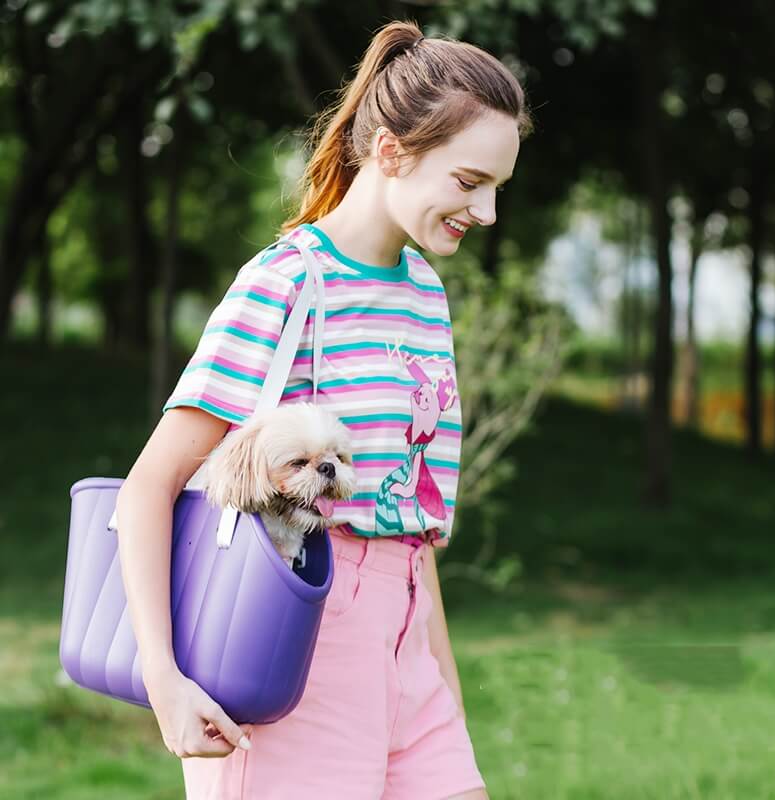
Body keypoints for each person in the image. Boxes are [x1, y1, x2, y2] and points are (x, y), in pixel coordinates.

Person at [116, 18, 531, 800]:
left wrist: (446, 697)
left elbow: (415, 521)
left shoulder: (425, 296)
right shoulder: (286, 281)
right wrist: (163, 680)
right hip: (292, 645)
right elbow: (149, 486)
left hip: (408, 647)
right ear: (391, 153)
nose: (486, 213)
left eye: (497, 190)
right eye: (470, 183)